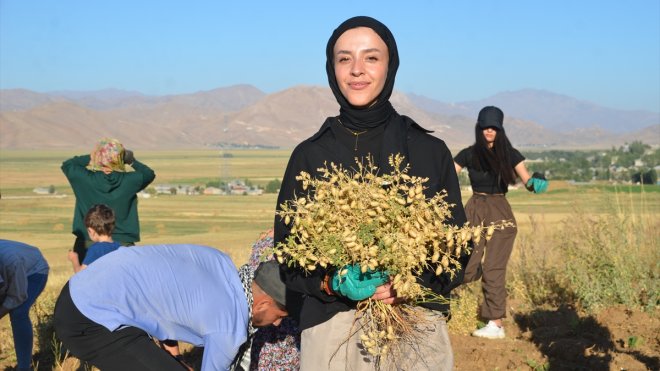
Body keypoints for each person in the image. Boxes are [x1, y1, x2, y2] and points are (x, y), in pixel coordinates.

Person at [274, 16, 467, 370]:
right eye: (344, 58)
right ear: (331, 69)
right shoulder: (310, 155)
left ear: (390, 65)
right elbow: (288, 256)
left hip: (414, 326)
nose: (357, 70)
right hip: (334, 333)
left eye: (371, 58)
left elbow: (457, 250)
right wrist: (332, 283)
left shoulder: (428, 150)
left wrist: (407, 284)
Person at [53, 244, 289, 371]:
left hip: (83, 286)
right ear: (263, 304)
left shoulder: (220, 262)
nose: (277, 323)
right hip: (87, 318)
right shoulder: (228, 329)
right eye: (279, 316)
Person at [453, 105, 548, 339]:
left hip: (500, 213)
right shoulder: (469, 153)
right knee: (465, 265)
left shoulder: (510, 153)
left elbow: (527, 181)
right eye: (485, 126)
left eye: (494, 127)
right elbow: (448, 173)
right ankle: (478, 273)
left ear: (500, 129)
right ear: (479, 127)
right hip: (474, 209)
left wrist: (537, 184)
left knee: (495, 269)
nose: (489, 131)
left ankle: (495, 324)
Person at [61, 137, 155, 263]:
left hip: (88, 241)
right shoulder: (130, 181)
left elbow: (68, 165)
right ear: (121, 159)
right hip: (123, 242)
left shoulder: (84, 179)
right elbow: (148, 174)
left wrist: (92, 156)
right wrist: (132, 161)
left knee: (87, 280)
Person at [0, 239, 50, 371]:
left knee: (18, 312)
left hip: (34, 271)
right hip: (11, 272)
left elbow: (17, 296)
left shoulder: (12, 261)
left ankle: (24, 367)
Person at [67, 204, 122, 273]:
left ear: (91, 231)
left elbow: (81, 274)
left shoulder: (96, 250)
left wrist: (74, 259)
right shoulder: (119, 247)